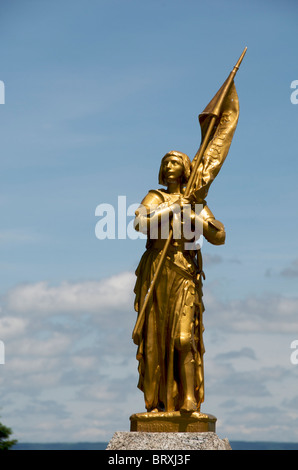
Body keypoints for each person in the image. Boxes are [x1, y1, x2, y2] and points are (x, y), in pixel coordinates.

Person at [133, 150, 225, 413]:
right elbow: (140, 224)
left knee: (183, 339)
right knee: (154, 339)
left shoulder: (195, 202)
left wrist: (195, 216)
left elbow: (219, 236)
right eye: (165, 162)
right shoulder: (155, 196)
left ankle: (188, 398)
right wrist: (172, 208)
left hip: (184, 272)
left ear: (185, 169)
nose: (169, 166)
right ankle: (157, 400)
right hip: (155, 271)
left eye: (175, 162)